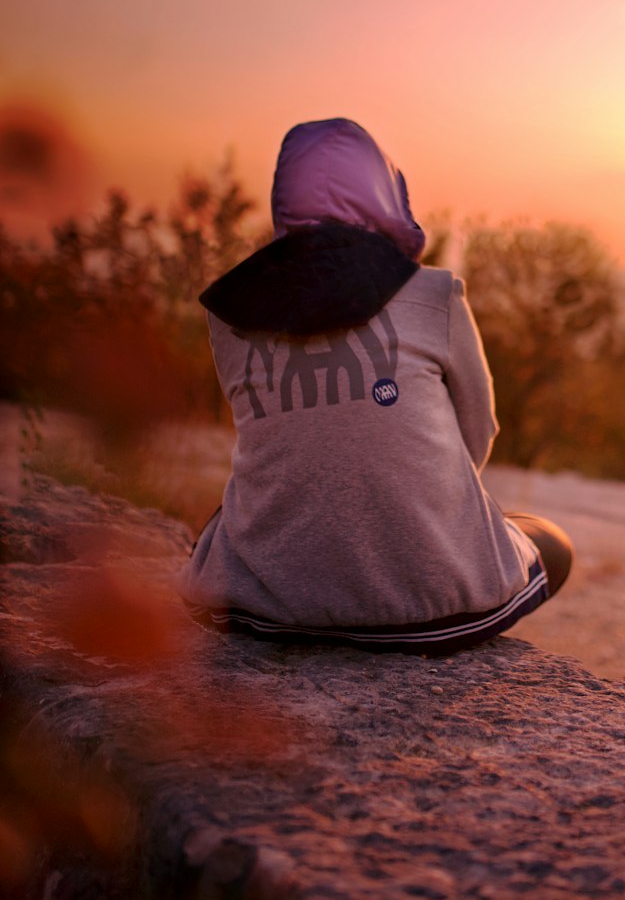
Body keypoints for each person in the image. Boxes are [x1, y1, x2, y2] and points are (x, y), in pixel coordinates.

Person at [178, 118, 573, 654]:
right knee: (550, 541)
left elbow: (274, 438)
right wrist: (420, 503)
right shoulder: (434, 294)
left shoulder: (229, 312)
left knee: (221, 524)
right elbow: (478, 431)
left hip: (265, 608)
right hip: (437, 612)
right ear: (387, 192)